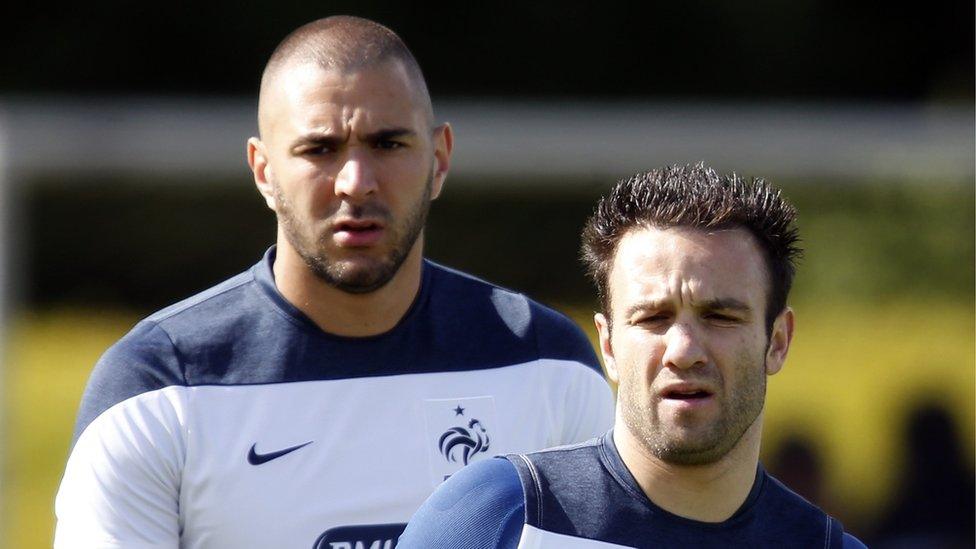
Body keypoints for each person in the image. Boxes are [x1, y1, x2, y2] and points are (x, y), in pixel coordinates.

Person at [54, 16, 614, 548]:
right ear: (264, 170)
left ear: (439, 159)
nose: (356, 182)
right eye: (319, 149)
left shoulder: (546, 367)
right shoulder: (159, 387)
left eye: (388, 144)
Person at [399, 163, 867, 548]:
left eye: (720, 317)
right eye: (652, 318)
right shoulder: (493, 519)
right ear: (608, 345)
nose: (683, 351)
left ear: (778, 341)